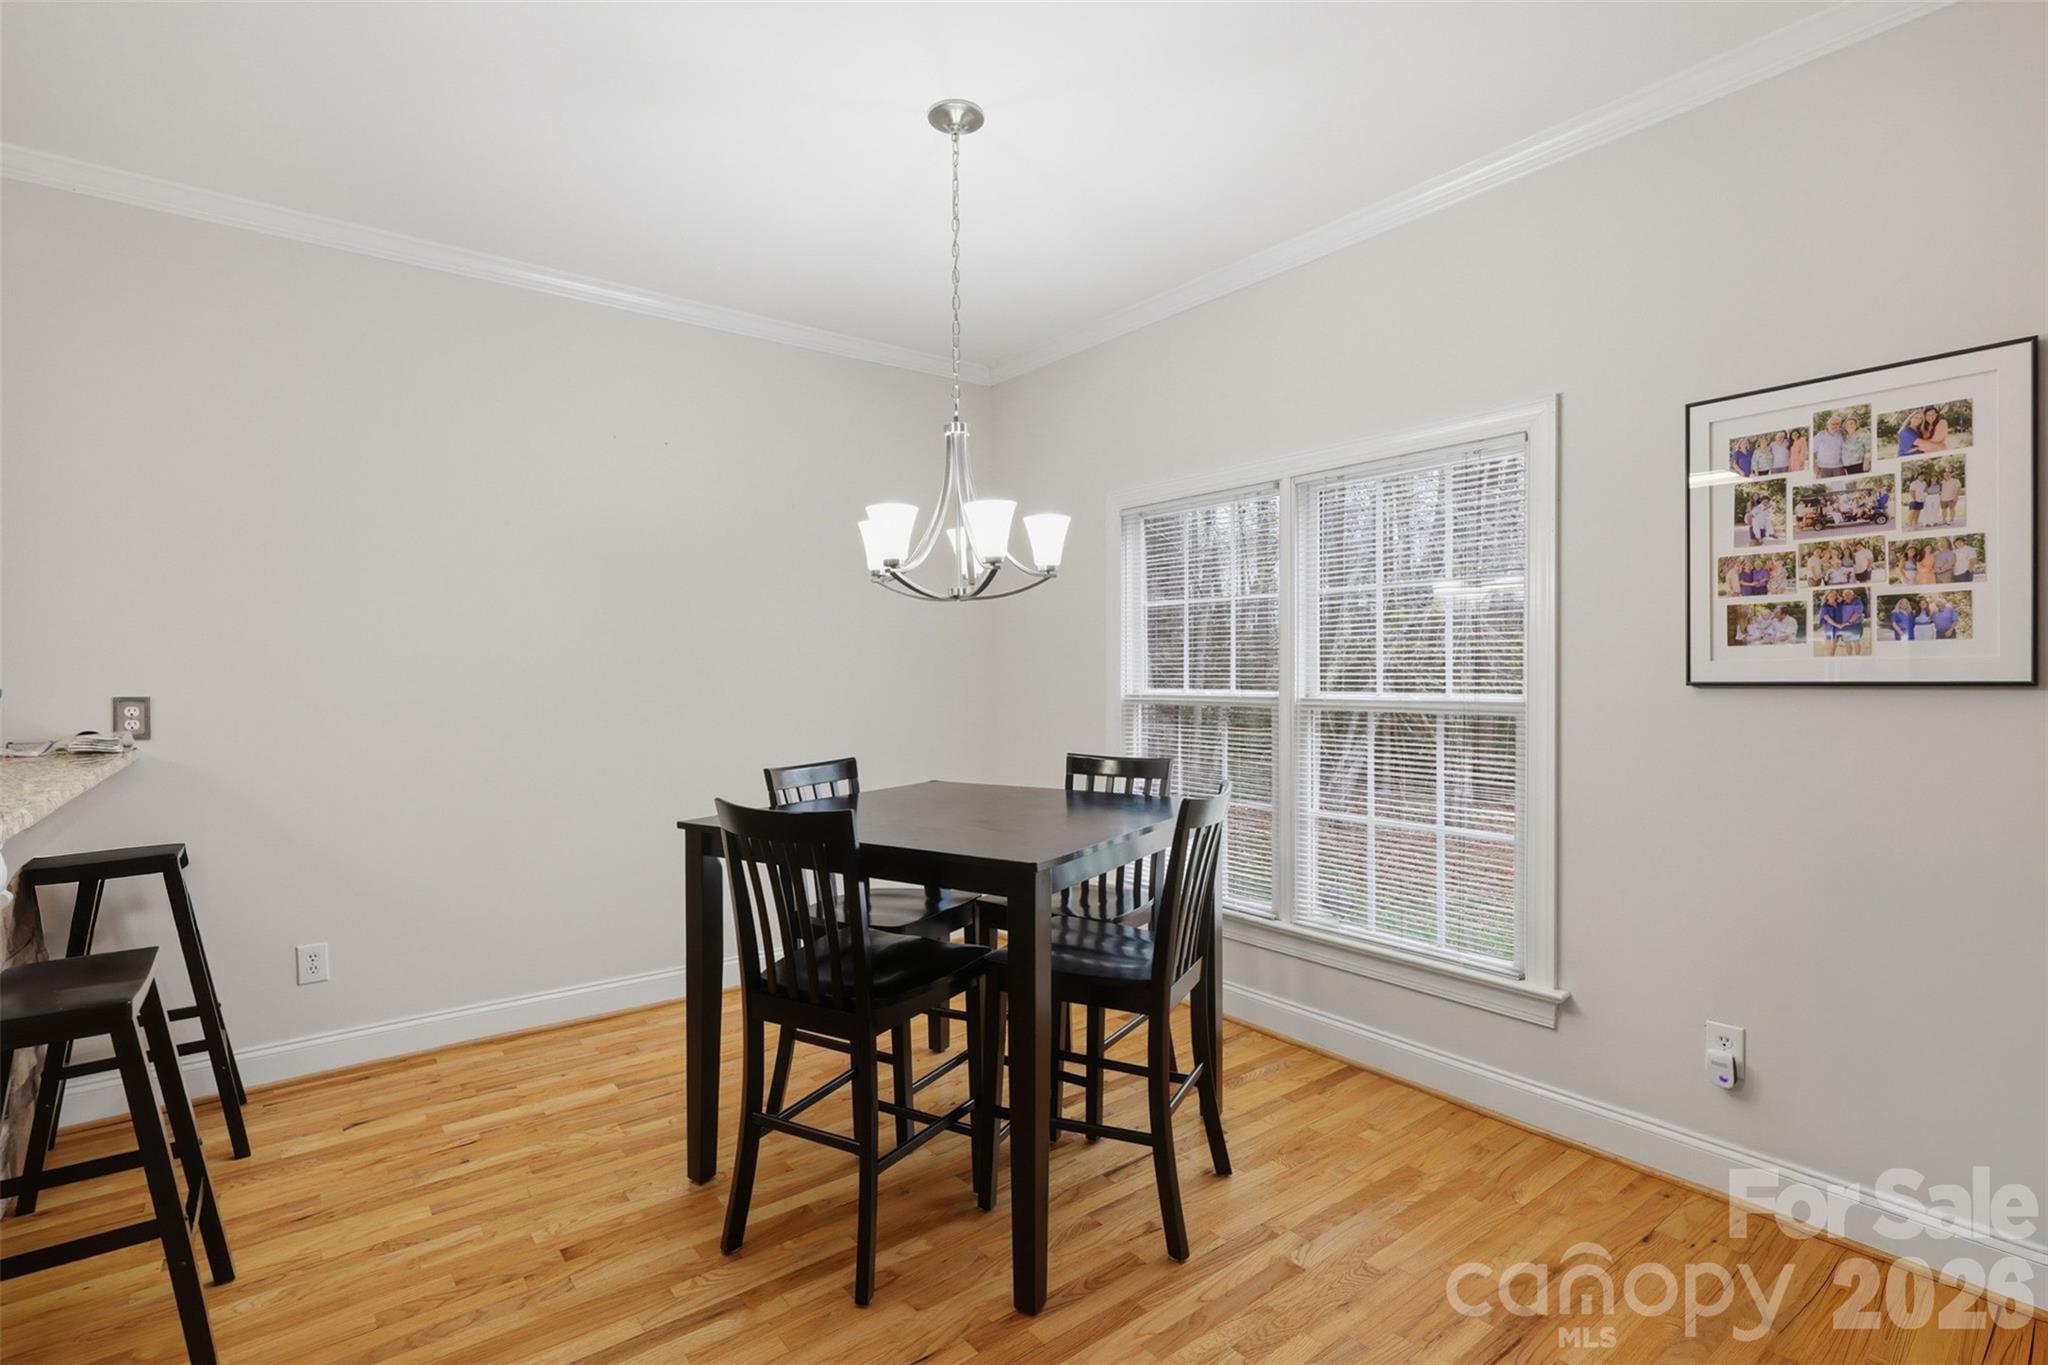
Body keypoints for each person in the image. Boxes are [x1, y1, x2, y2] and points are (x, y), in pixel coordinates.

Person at [1835, 590, 1865, 655]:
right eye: (1845, 595)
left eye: (1848, 594)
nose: (1846, 596)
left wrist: (1848, 622)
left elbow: (1857, 614)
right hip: (1845, 626)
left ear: (1852, 595)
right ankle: (1849, 658)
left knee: (1856, 641)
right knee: (1847, 643)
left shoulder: (1857, 602)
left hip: (1855, 625)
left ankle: (1857, 658)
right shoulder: (1843, 603)